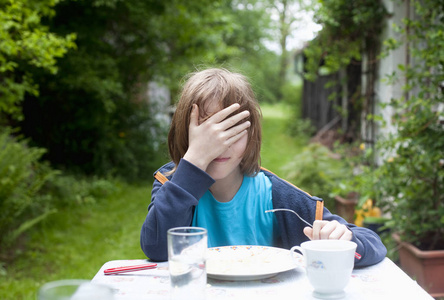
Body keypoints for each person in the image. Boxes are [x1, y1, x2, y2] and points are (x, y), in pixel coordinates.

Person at [140, 68, 387, 266]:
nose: (220, 145)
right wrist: (193, 161)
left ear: (251, 135)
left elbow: (371, 244)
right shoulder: (173, 183)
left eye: (232, 130)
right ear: (185, 133)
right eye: (209, 133)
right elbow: (157, 249)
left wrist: (344, 240)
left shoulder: (275, 196)